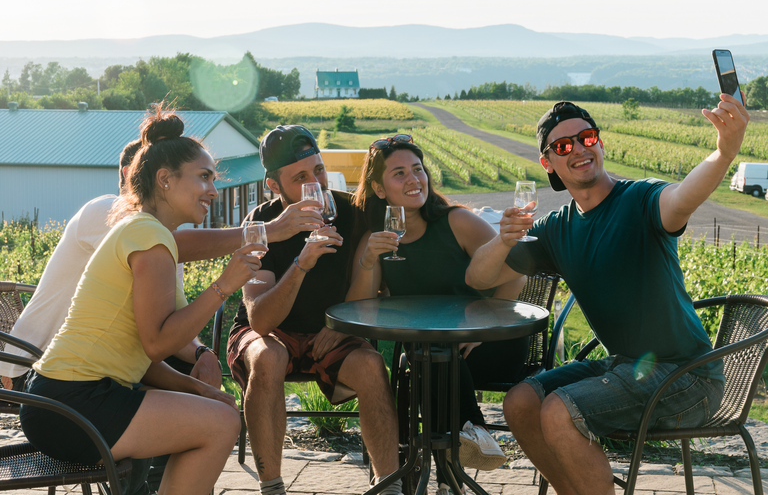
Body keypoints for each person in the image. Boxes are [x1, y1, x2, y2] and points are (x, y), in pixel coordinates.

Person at [465, 97, 749, 495]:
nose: (579, 149)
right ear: (548, 163)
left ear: (600, 144)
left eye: (587, 137)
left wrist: (724, 152)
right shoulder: (556, 228)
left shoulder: (641, 200)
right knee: (520, 403)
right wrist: (502, 241)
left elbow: (683, 196)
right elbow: (479, 277)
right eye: (563, 146)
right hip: (628, 366)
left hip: (687, 376)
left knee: (559, 411)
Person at [19, 105, 262, 495]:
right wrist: (224, 285)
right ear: (164, 179)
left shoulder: (143, 231)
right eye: (204, 177)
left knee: (215, 412)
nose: (213, 191)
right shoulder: (149, 239)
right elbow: (158, 343)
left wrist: (195, 387)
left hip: (59, 398)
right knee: (221, 424)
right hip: (73, 404)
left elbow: (140, 355)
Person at [226, 125, 401, 495]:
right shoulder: (261, 224)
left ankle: (389, 486)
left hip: (332, 328)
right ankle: (272, 487)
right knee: (268, 357)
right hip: (268, 332)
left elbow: (374, 289)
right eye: (300, 177)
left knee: (371, 366)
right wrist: (302, 263)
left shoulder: (351, 213)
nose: (315, 184)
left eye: (318, 170)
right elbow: (259, 319)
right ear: (274, 185)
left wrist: (342, 325)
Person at [346, 135, 526, 493]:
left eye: (418, 169)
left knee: (428, 360)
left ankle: (430, 465)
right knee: (431, 356)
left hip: (488, 345)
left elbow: (516, 272)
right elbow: (359, 309)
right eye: (400, 173)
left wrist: (481, 328)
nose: (414, 179)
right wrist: (368, 260)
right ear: (379, 190)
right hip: (433, 354)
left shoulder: (457, 222)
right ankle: (457, 464)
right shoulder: (378, 239)